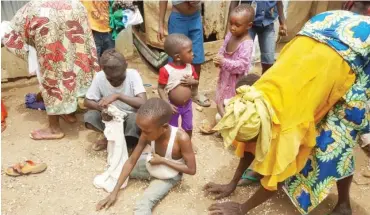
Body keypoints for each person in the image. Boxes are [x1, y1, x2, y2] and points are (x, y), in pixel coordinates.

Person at [203, 5, 370, 215]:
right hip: (315, 51)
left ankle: (344, 204)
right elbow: (247, 142)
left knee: (338, 135)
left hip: (356, 64)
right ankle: (260, 168)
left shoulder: (288, 126)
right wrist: (232, 183)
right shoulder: (254, 98)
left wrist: (242, 208)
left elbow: (277, 178)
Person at [2, 0, 99, 140]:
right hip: (75, 53)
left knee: (52, 82)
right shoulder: (77, 4)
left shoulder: (33, 7)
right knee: (72, 74)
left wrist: (28, 52)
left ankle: (54, 129)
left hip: (52, 55)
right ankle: (69, 112)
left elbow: (13, 31)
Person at [96, 98, 196, 214]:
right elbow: (131, 160)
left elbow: (191, 169)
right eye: (141, 129)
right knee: (118, 171)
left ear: (163, 127)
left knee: (144, 203)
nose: (143, 134)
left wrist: (163, 161)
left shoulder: (181, 139)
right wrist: (114, 193)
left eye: (147, 131)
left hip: (169, 175)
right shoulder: (146, 133)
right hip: (152, 165)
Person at [84, 49, 147, 151]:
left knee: (135, 119)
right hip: (110, 117)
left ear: (126, 65)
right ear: (103, 70)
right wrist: (102, 109)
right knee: (90, 116)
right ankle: (110, 138)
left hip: (129, 117)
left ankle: (125, 141)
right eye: (111, 79)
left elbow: (143, 103)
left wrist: (118, 95)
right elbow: (87, 101)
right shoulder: (100, 77)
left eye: (120, 78)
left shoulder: (133, 75)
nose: (116, 82)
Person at [158, 1, 211, 107]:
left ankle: (194, 93)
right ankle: (173, 95)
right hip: (178, 19)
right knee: (175, 58)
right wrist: (160, 24)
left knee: (196, 57)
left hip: (195, 17)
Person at [214, 4, 255, 119]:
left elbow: (242, 66)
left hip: (235, 80)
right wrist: (219, 58)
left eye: (237, 25)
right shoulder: (230, 35)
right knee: (221, 96)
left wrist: (223, 62)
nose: (232, 27)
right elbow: (223, 48)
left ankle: (228, 123)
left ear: (249, 26)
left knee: (231, 102)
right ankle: (223, 119)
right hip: (224, 75)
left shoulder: (247, 44)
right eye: (231, 24)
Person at [158, 34, 199, 138]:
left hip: (188, 105)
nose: (193, 54)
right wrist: (167, 104)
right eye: (189, 52)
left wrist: (193, 82)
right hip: (173, 107)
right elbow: (160, 88)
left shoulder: (190, 68)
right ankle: (173, 146)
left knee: (188, 127)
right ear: (178, 57)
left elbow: (196, 82)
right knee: (172, 128)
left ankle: (187, 145)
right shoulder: (166, 70)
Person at [229, 0, 287, 74]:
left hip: (267, 24)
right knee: (241, 56)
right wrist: (231, 23)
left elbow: (279, 2)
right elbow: (234, 1)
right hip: (246, 24)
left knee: (268, 60)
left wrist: (282, 23)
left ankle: (263, 82)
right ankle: (235, 82)